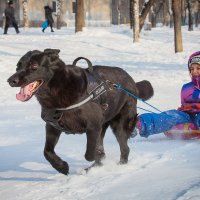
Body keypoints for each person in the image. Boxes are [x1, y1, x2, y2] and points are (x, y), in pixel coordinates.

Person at [135, 51, 200, 138]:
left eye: (198, 68)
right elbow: (184, 104)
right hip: (187, 115)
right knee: (170, 116)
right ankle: (139, 124)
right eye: (192, 69)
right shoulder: (186, 88)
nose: (194, 71)